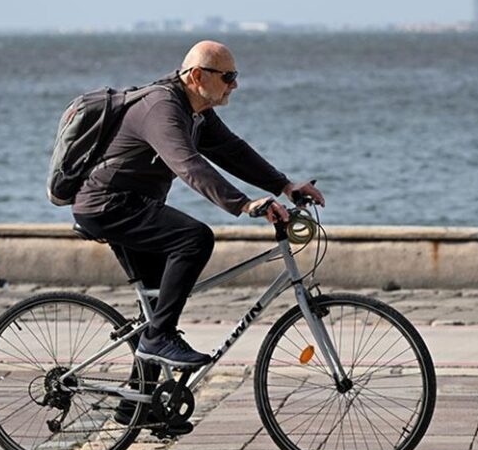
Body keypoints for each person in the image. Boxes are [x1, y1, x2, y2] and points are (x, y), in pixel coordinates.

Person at [72, 40, 325, 368]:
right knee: (194, 239)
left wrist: (285, 186)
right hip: (108, 205)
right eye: (228, 76)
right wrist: (244, 205)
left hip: (135, 205)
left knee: (158, 307)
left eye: (235, 76)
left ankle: (143, 390)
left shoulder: (196, 112)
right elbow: (188, 165)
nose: (235, 85)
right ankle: (158, 339)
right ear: (196, 76)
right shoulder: (162, 108)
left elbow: (232, 150)